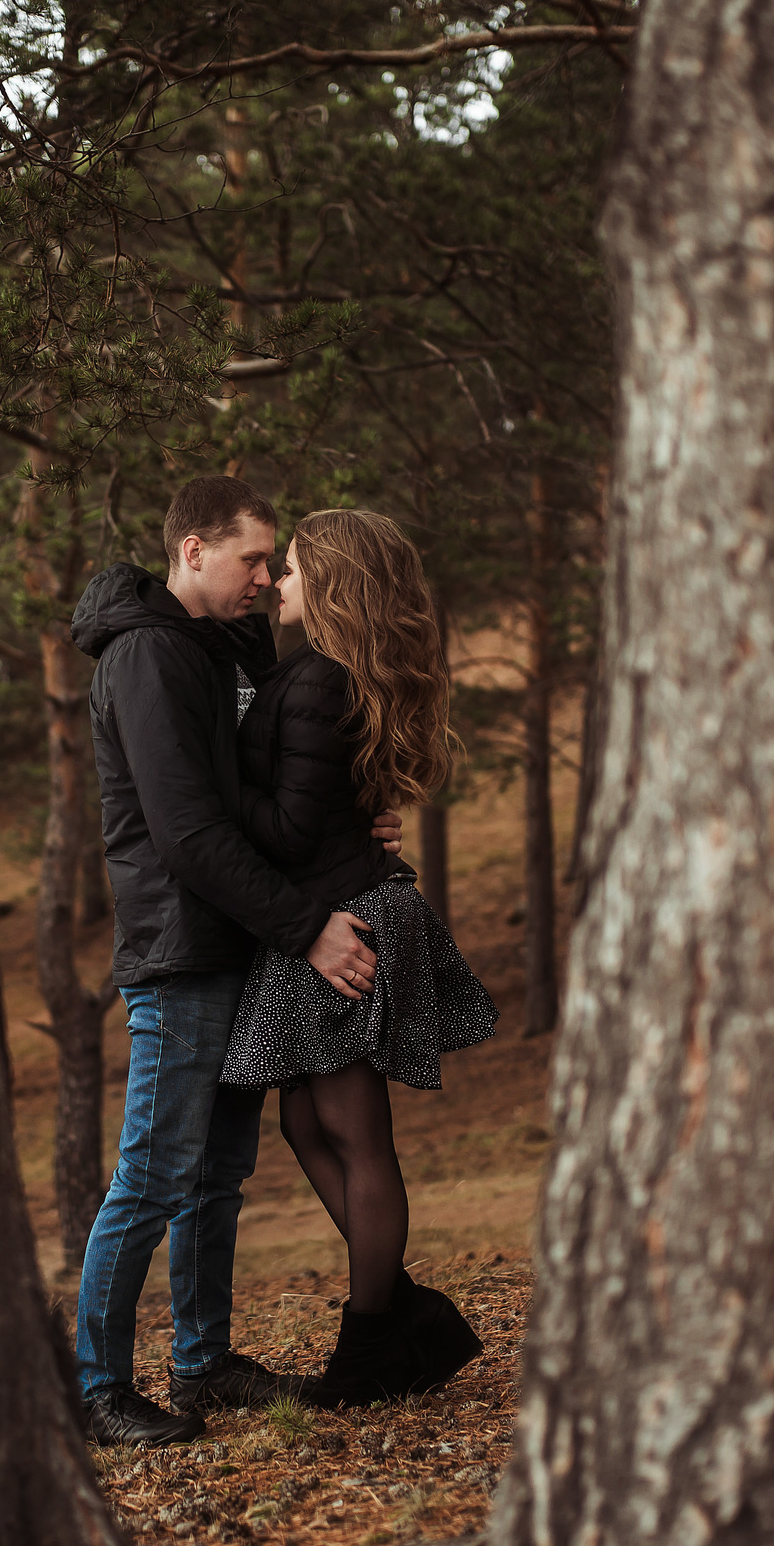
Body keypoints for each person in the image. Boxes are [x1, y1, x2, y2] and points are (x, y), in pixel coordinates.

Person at [68, 476, 399, 1447]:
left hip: (240, 942)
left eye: (272, 561)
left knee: (216, 1171)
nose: (270, 575)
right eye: (253, 557)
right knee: (155, 1171)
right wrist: (308, 928)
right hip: (180, 948)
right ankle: (97, 1385)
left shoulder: (231, 645)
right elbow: (186, 832)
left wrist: (354, 824)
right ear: (193, 551)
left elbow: (267, 793)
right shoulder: (147, 656)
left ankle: (203, 1366)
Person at [221, 508, 497, 1407]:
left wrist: (214, 801)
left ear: (332, 582)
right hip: (353, 898)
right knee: (307, 1122)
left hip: (347, 914)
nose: (278, 584)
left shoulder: (315, 679)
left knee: (352, 1129)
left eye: (292, 569)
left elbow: (295, 827)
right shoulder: (332, 674)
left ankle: (374, 1338)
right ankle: (403, 1313)